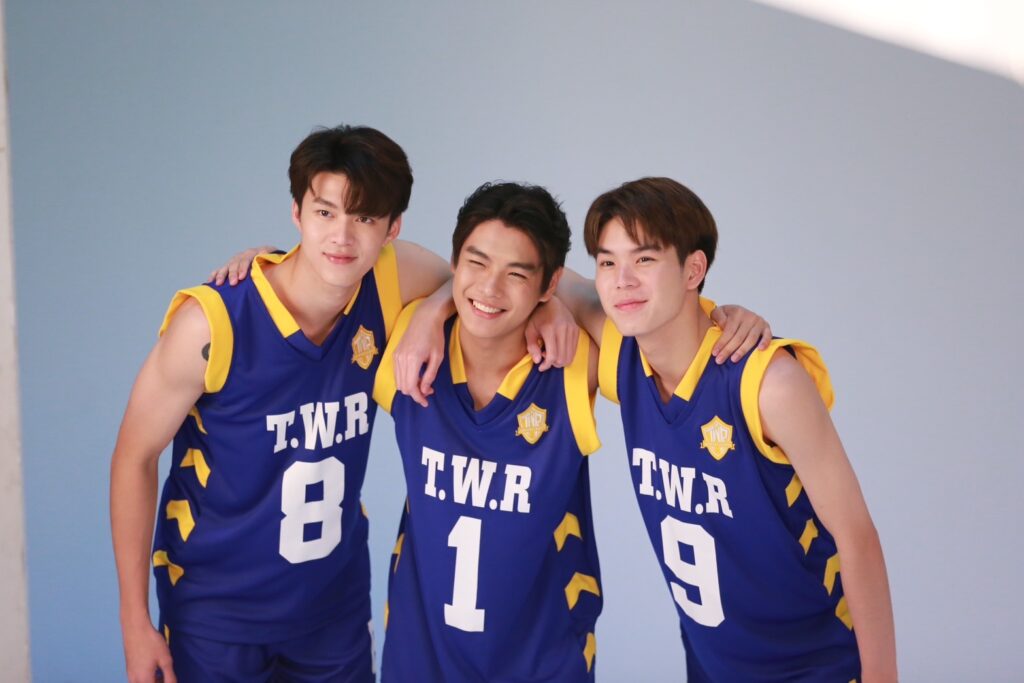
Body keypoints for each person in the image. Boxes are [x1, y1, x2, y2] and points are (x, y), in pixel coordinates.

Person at [109, 125, 577, 683]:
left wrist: (526, 308)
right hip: (217, 615)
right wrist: (133, 619)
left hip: (333, 612)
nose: (341, 236)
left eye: (364, 218)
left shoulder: (390, 280)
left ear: (391, 228)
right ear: (296, 213)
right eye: (325, 212)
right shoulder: (212, 324)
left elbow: (493, 278)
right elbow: (134, 457)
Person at [577, 177, 896, 681]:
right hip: (712, 668)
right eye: (607, 262)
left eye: (645, 259)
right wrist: (450, 309)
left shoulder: (768, 383)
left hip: (813, 667)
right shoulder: (625, 360)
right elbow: (534, 277)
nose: (622, 280)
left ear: (693, 269)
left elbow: (857, 538)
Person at [372, 182, 603, 681]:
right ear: (456, 261)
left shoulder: (574, 363)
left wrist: (731, 321)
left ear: (549, 283)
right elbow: (327, 265)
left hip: (542, 661)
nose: (490, 289)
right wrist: (262, 259)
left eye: (516, 274)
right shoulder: (409, 343)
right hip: (420, 657)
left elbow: (669, 346)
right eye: (476, 263)